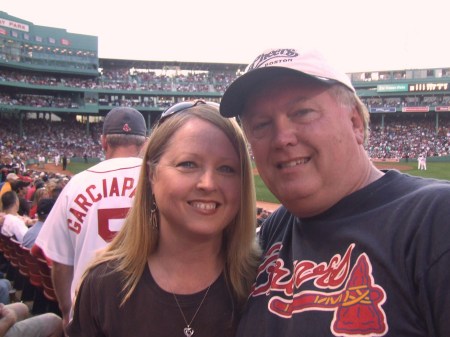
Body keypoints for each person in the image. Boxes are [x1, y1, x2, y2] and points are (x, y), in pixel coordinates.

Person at [220, 48, 450, 336]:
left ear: (354, 122)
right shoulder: (276, 229)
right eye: (261, 124)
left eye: (302, 112)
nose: (282, 138)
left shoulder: (435, 219)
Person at [66, 101, 260, 337]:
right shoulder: (103, 285)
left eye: (227, 168)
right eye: (188, 164)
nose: (208, 183)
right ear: (151, 174)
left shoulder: (266, 282)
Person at [34, 107, 148, 330]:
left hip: (88, 312)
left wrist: (67, 311)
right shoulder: (161, 180)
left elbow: (60, 262)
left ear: (104, 141)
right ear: (144, 143)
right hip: (147, 309)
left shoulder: (75, 184)